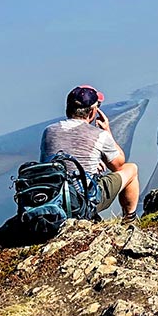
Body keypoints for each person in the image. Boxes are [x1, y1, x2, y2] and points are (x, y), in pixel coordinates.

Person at [40, 85, 140, 225]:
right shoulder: (99, 135)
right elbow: (118, 164)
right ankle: (129, 220)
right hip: (81, 204)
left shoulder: (49, 131)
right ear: (93, 111)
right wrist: (107, 131)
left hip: (52, 200)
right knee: (131, 169)